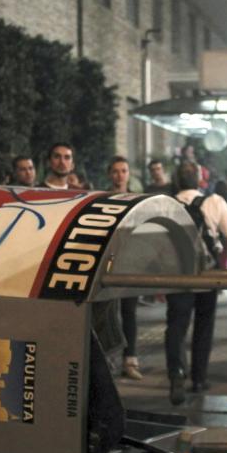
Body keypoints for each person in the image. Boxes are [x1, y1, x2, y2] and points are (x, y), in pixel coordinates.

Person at [166, 161, 227, 404]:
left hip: (177, 274)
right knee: (204, 324)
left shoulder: (165, 204)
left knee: (176, 325)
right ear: (201, 180)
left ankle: (177, 375)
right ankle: (199, 378)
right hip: (208, 273)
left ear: (176, 181)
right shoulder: (215, 202)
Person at [106, 157, 142, 379]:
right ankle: (107, 360)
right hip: (108, 263)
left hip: (131, 262)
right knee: (108, 312)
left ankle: (130, 360)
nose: (120, 175)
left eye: (124, 171)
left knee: (129, 312)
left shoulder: (139, 200)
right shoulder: (104, 199)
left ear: (129, 174)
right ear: (110, 174)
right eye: (116, 171)